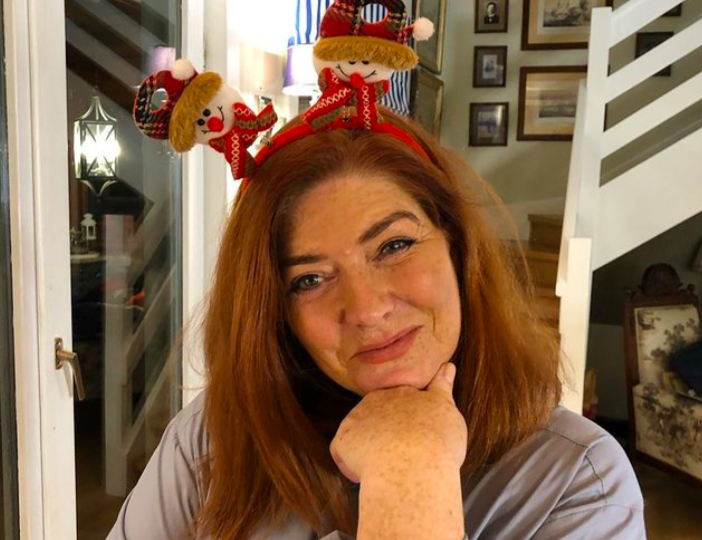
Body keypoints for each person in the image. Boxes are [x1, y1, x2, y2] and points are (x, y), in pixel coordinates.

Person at [110, 1, 646, 538]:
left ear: (458, 248)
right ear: (276, 311)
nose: (367, 310)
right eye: (309, 280)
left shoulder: (579, 481)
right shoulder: (207, 443)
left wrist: (409, 473)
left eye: (394, 246)